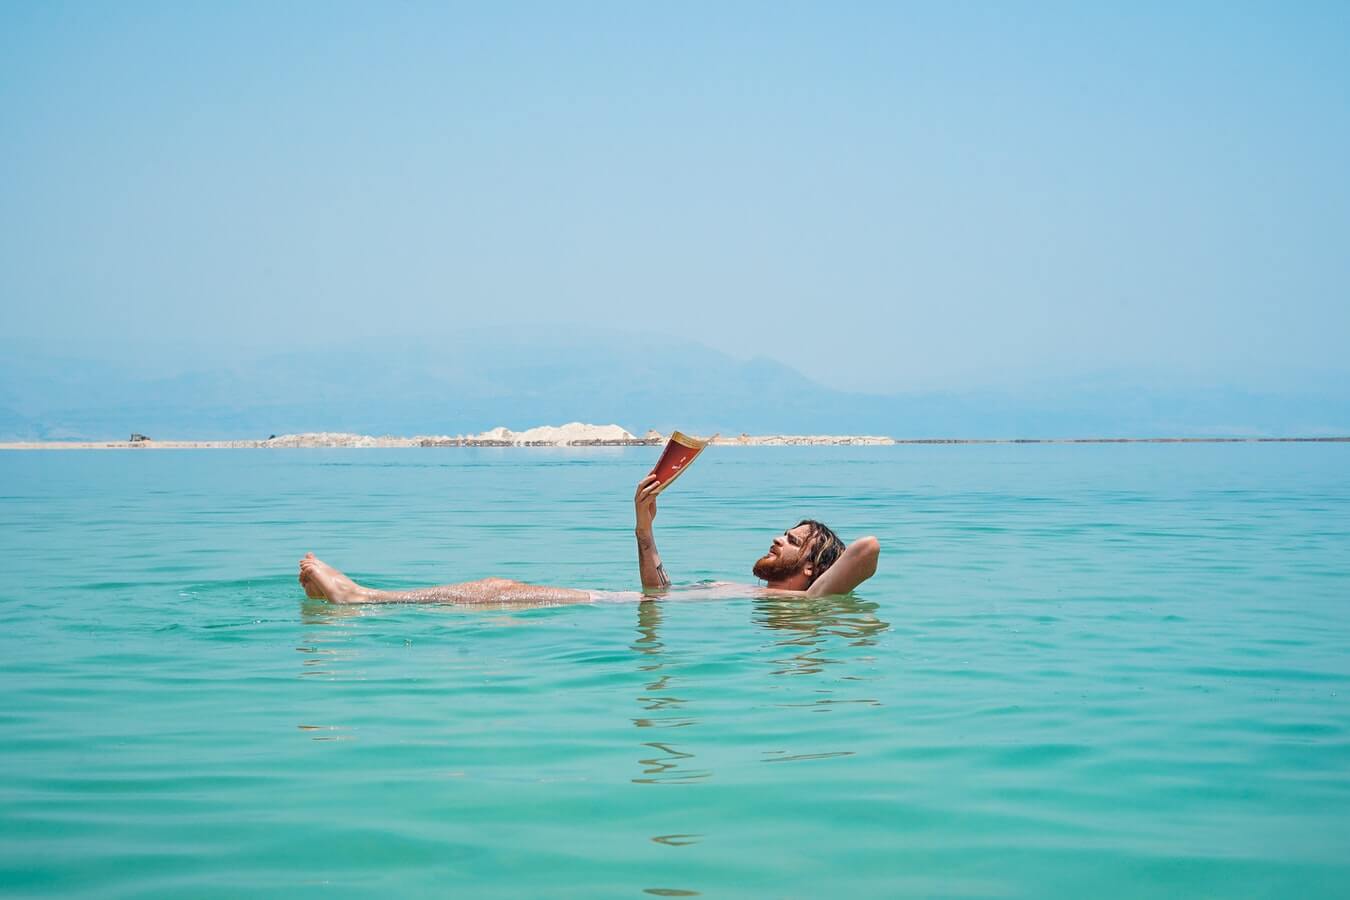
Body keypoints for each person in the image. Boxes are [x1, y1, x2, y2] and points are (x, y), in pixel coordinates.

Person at [298, 474, 880, 606]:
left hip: (607, 610)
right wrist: (644, 526)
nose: (778, 537)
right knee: (498, 591)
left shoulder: (805, 603)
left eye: (794, 539)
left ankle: (363, 599)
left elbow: (867, 548)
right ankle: (366, 598)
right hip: (630, 606)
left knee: (498, 591)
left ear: (812, 566)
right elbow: (661, 596)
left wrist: (818, 584)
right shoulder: (768, 600)